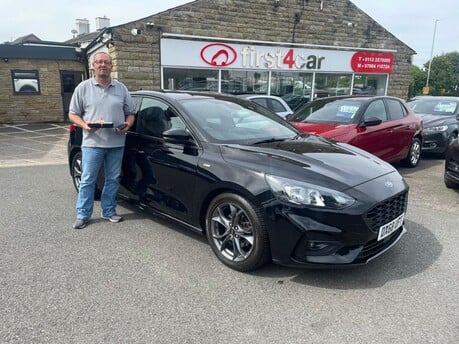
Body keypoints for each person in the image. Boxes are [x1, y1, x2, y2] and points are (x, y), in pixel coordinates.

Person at [68, 51, 136, 229]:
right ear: (93, 66)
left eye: (106, 62)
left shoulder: (121, 88)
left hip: (116, 143)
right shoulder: (83, 88)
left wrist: (127, 125)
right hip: (92, 143)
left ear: (111, 66)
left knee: (113, 179)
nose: (103, 65)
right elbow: (72, 114)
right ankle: (83, 215)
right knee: (88, 180)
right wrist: (85, 125)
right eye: (99, 62)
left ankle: (109, 211)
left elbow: (131, 114)